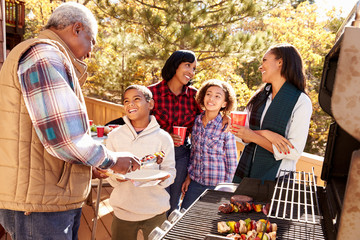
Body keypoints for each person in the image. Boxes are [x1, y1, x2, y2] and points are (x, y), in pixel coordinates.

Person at [0, 3, 140, 240]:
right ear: (77, 29)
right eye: (92, 41)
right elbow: (64, 138)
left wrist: (89, 168)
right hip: (40, 205)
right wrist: (113, 160)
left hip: (44, 200)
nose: (90, 51)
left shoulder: (45, 55)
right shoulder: (45, 56)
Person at [230, 43, 312, 183]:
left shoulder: (301, 101)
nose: (260, 67)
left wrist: (255, 136)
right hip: (247, 174)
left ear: (280, 62)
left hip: (278, 179)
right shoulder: (259, 97)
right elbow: (241, 133)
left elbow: (293, 151)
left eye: (264, 60)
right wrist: (265, 134)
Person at [106, 85, 176, 240]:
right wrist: (114, 177)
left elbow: (170, 171)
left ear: (150, 104)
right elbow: (109, 171)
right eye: (126, 101)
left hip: (155, 210)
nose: (130, 104)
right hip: (123, 211)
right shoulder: (114, 136)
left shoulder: (163, 138)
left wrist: (164, 179)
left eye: (136, 99)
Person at [148, 50, 202, 214]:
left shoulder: (195, 96)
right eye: (187, 65)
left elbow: (209, 118)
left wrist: (226, 116)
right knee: (154, 200)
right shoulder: (151, 93)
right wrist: (164, 135)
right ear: (175, 65)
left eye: (193, 69)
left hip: (181, 155)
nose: (191, 72)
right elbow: (139, 125)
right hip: (154, 155)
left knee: (173, 203)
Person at [181, 79, 238, 209]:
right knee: (184, 216)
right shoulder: (196, 122)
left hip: (217, 186)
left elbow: (232, 161)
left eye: (217, 96)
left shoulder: (226, 126)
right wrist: (188, 177)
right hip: (195, 183)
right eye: (208, 94)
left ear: (224, 103)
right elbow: (194, 153)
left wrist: (227, 188)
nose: (211, 98)